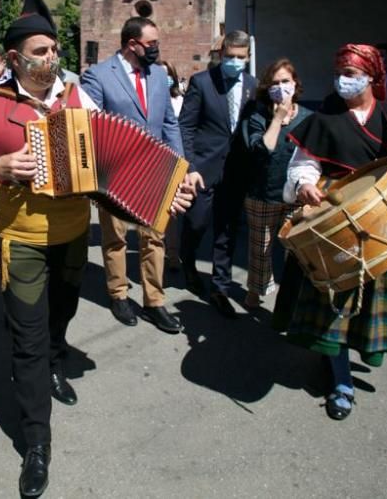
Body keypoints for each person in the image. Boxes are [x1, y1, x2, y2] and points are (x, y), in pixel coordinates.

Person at [0, 0, 195, 497]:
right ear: (14, 58)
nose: (50, 56)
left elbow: (117, 165)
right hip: (24, 240)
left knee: (61, 316)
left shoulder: (80, 97)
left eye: (54, 48)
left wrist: (169, 188)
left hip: (75, 235)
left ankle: (58, 360)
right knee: (27, 340)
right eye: (39, 50)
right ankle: (37, 441)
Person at [274, 43, 387, 422]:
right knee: (335, 309)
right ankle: (340, 380)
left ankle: (351, 360)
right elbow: (302, 166)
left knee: (365, 311)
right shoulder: (325, 118)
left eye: (350, 73)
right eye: (340, 72)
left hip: (381, 226)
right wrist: (304, 186)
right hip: (334, 224)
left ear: (373, 77)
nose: (342, 80)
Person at [81, 17, 203, 334]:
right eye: (151, 44)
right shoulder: (98, 76)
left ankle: (154, 301)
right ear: (132, 44)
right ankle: (119, 293)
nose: (156, 49)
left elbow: (169, 124)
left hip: (156, 170)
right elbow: (90, 126)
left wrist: (181, 167)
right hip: (116, 175)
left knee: (154, 239)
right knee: (115, 238)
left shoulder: (160, 75)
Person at [177, 31, 257, 318]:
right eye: (230, 56)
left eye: (240, 57)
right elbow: (185, 126)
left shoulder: (252, 86)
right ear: (221, 55)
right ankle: (187, 262)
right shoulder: (202, 83)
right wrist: (190, 167)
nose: (235, 62)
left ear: (247, 58)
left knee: (226, 230)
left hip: (235, 171)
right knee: (197, 223)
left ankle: (219, 287)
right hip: (202, 169)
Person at [241, 58, 312, 309]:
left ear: (295, 84)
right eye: (274, 83)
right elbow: (263, 148)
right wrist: (277, 117)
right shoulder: (257, 115)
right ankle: (255, 289)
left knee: (298, 252)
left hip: (296, 195)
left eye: (285, 81)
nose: (280, 87)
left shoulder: (308, 118)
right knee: (261, 249)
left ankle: (293, 298)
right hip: (263, 193)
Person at [161, 60, 184, 270]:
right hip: (152, 160)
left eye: (166, 74)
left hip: (174, 160)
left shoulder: (179, 101)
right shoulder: (149, 100)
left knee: (172, 211)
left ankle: (173, 253)